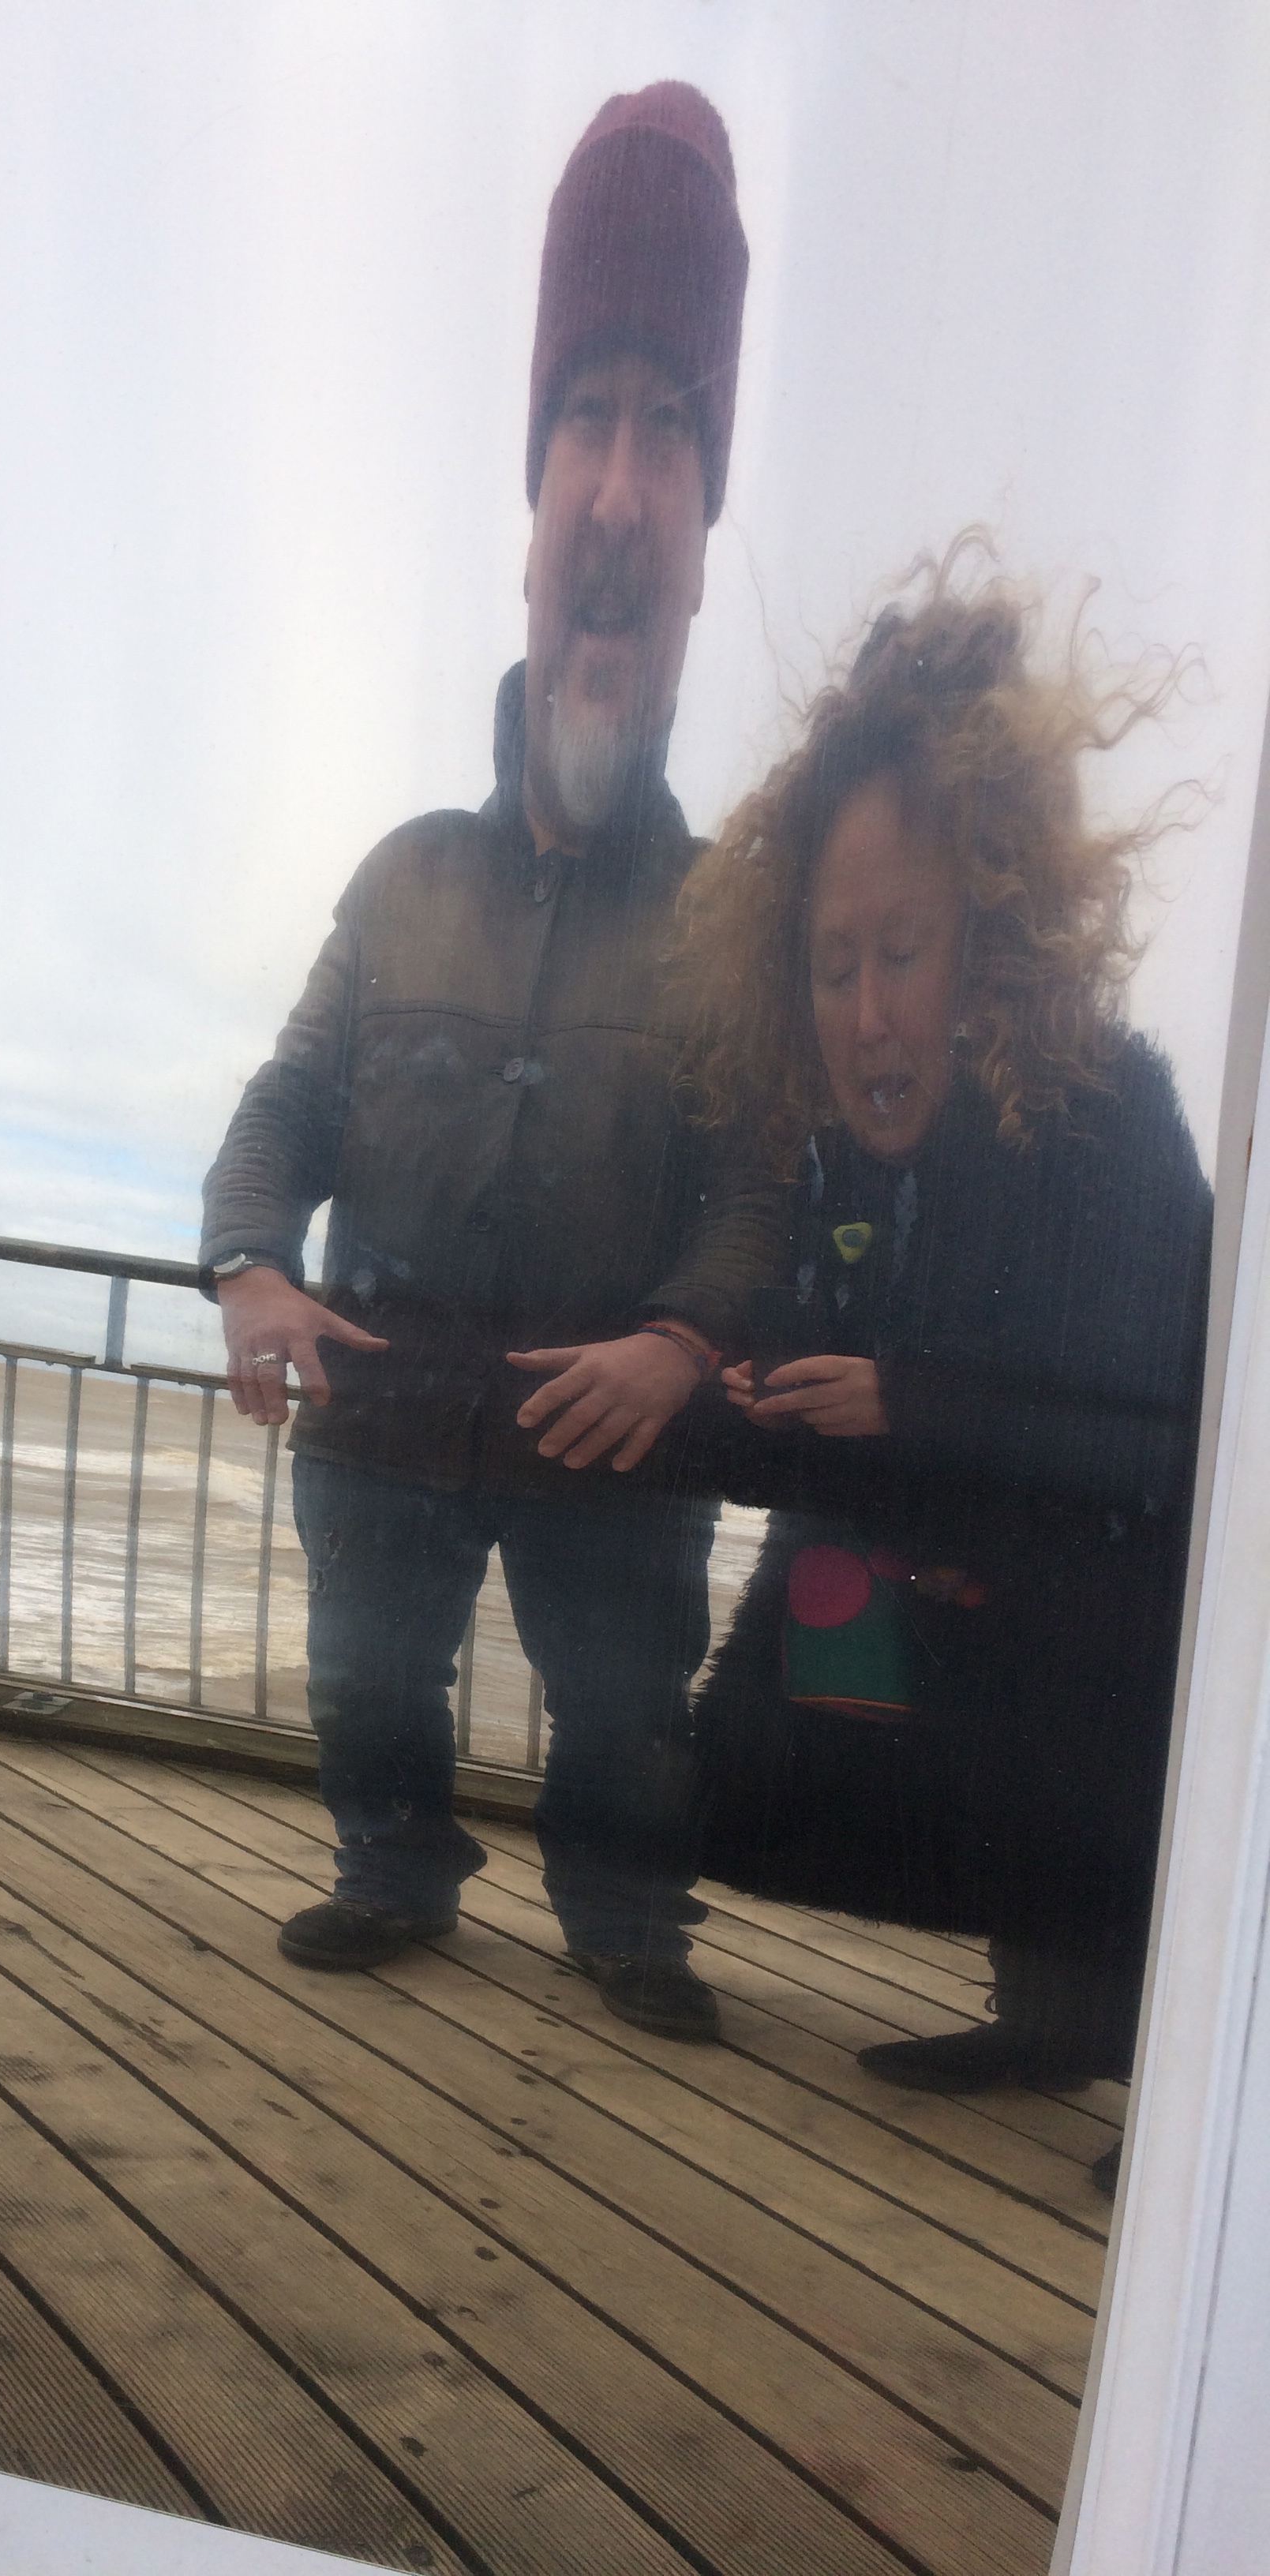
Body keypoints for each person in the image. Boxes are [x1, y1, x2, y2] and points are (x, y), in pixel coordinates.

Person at [198, 85, 782, 2040]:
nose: (617, 494)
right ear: (529, 527)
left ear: (698, 554)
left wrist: (684, 1344)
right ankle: (391, 1866)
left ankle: (628, 1920)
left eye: (671, 430)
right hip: (382, 1416)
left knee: (626, 1702)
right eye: (583, 426)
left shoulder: (731, 918)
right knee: (366, 1677)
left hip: (618, 1449)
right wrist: (246, 1265)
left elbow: (760, 1187)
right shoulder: (402, 876)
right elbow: (283, 1108)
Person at [671, 555, 1210, 2163]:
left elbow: (1159, 1444)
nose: (866, 1017)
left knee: (1088, 1718)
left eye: (901, 953)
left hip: (1138, 1638)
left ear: (995, 939)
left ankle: (1171, 2098)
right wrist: (754, 1395)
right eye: (832, 967)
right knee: (745, 1755)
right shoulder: (844, 1155)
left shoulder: (1113, 1112)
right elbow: (840, 1378)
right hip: (962, 1601)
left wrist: (912, 1408)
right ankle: (1048, 2018)